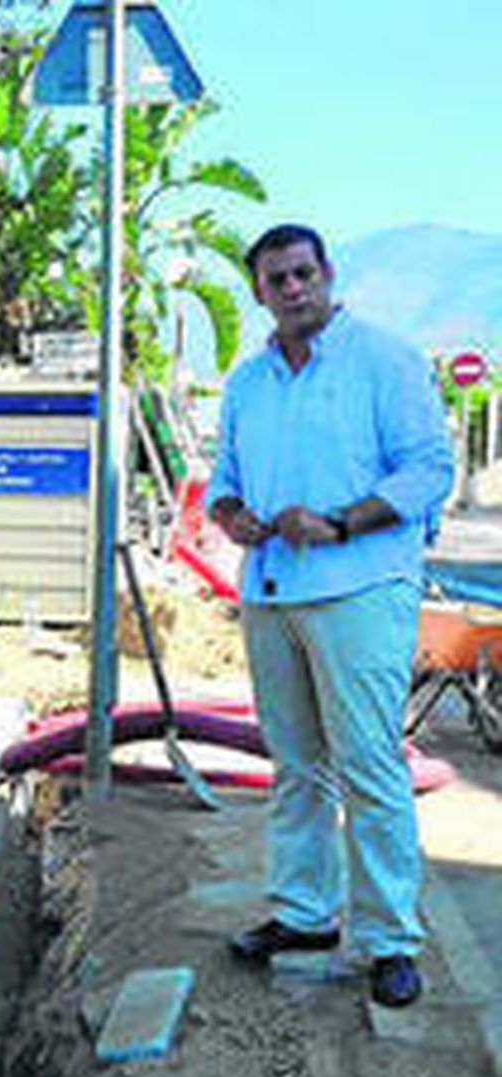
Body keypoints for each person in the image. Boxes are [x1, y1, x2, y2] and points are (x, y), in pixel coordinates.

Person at [209, 223, 454, 1008]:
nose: (292, 289)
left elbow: (428, 469)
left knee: (371, 765)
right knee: (295, 765)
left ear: (327, 274)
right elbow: (224, 476)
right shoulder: (247, 382)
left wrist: (344, 522)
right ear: (259, 291)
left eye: (303, 274)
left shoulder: (384, 360)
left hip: (361, 585)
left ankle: (389, 940)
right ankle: (306, 914)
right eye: (276, 279)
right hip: (272, 589)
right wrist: (232, 512)